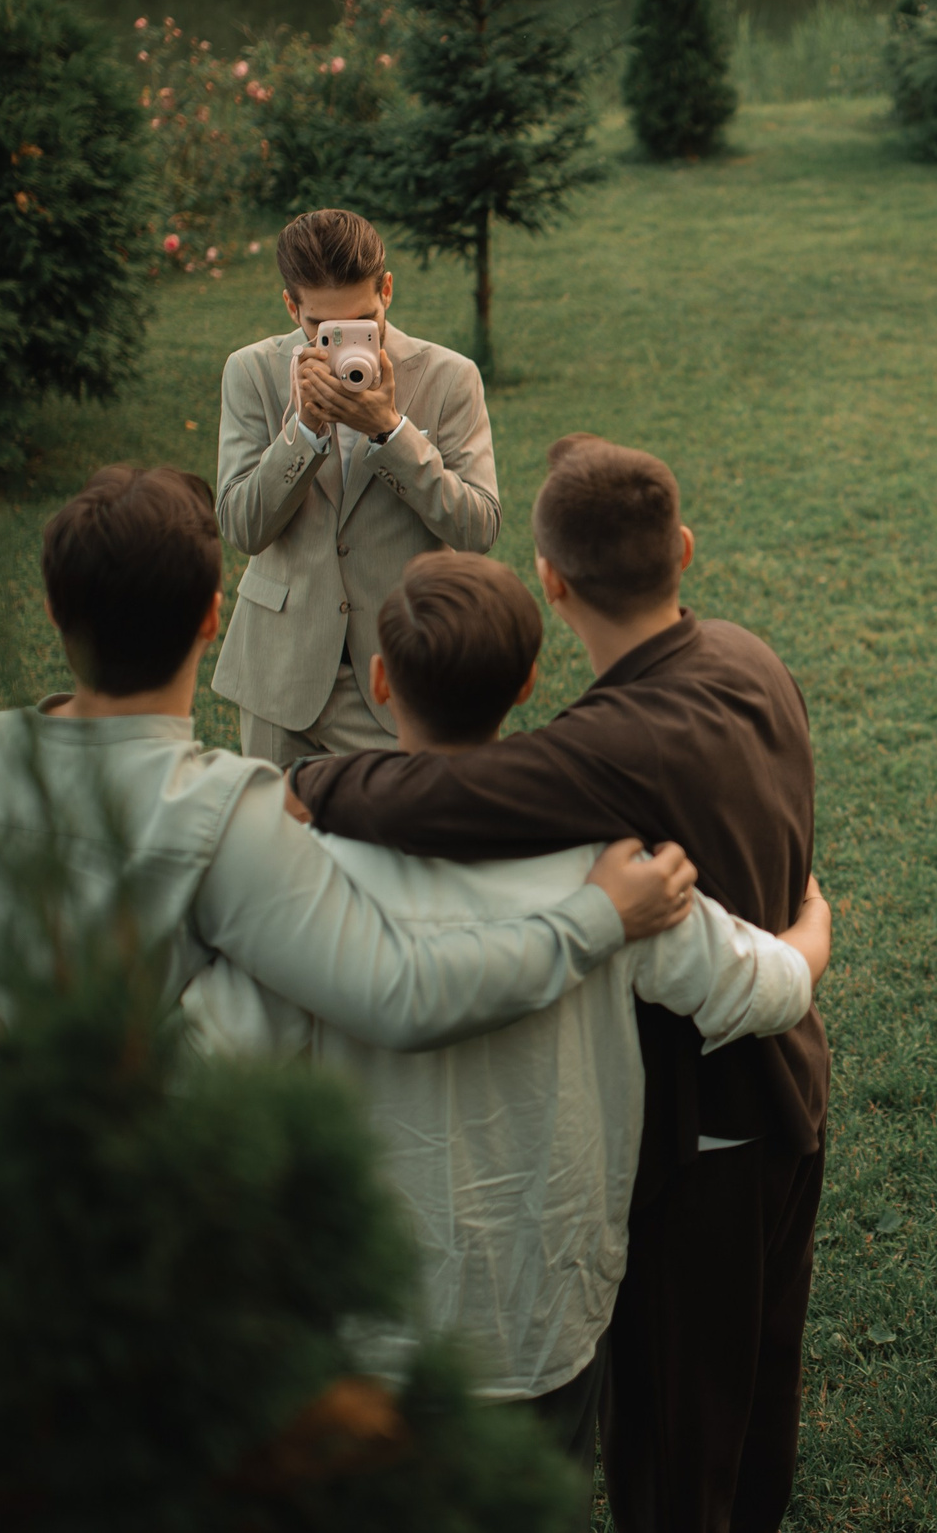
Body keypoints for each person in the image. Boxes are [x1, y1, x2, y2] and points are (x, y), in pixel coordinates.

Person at [195, 550, 833, 1480]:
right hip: (547, 1312)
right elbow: (758, 990)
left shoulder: (304, 876)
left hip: (371, 1316)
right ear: (531, 683)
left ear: (379, 680)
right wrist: (809, 931)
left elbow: (207, 1060)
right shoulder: (617, 874)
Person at [0, 465, 695, 1097]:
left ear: (54, 611)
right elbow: (400, 993)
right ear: (210, 617)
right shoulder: (231, 812)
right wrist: (599, 917)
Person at [212, 208, 501, 767]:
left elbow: (478, 528)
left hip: (399, 676)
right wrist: (302, 432)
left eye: (364, 321)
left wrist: (389, 432)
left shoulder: (449, 377)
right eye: (321, 328)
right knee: (278, 847)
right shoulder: (250, 372)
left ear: (387, 290)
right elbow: (242, 527)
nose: (343, 343)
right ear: (291, 307)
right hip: (281, 675)